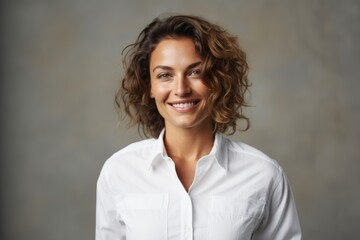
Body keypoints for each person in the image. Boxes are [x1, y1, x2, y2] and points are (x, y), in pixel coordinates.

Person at [96, 15, 301, 240]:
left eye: (195, 72)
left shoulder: (264, 175)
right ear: (149, 86)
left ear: (218, 80)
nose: (181, 89)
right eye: (165, 75)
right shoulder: (118, 172)